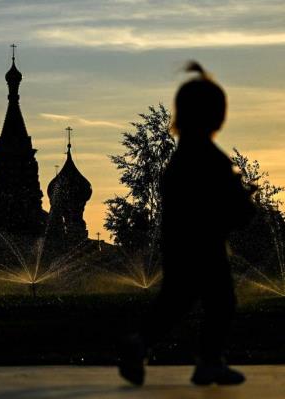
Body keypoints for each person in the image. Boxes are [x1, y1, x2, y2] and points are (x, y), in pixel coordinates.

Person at [118, 62, 256, 386]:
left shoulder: (181, 159)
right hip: (206, 246)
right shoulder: (212, 158)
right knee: (221, 302)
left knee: (175, 301)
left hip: (178, 245)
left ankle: (139, 343)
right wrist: (243, 201)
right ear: (215, 116)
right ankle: (209, 361)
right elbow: (227, 207)